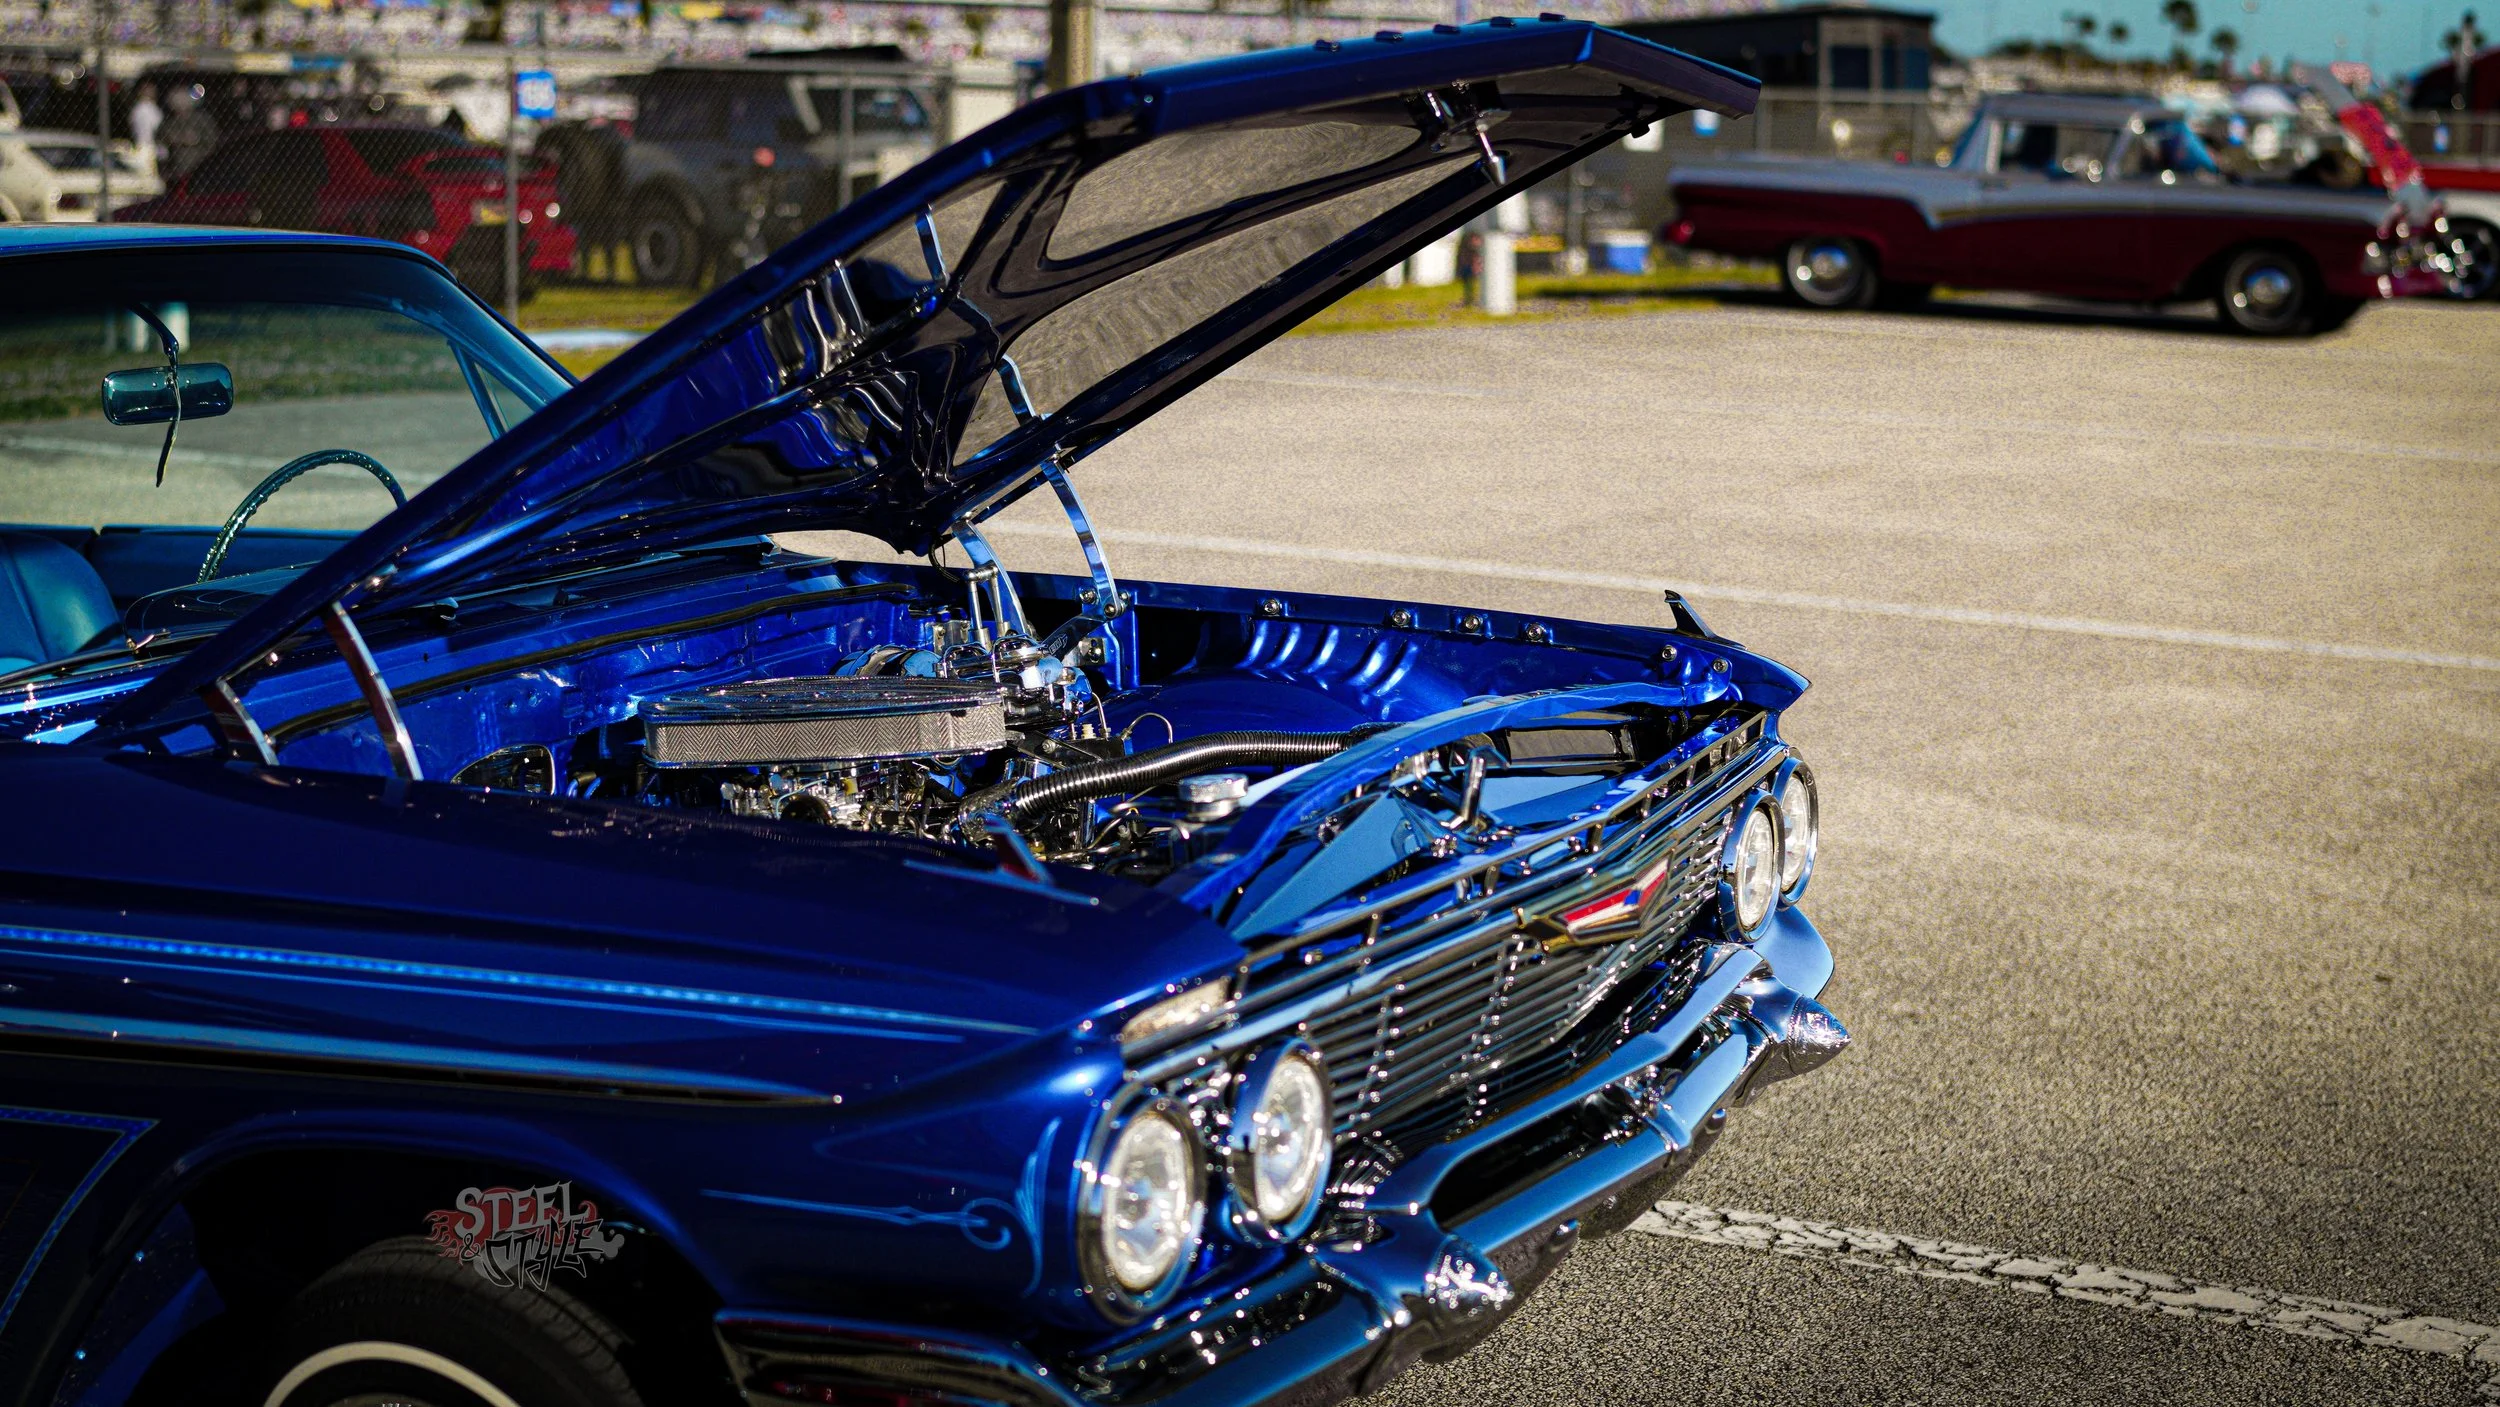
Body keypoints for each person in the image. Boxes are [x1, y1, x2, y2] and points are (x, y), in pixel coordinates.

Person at [159, 85, 218, 180]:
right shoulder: (170, 122)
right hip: (178, 170)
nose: (181, 111)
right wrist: (178, 140)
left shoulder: (203, 120)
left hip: (202, 168)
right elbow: (162, 139)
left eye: (183, 106)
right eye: (177, 107)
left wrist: (197, 140)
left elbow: (212, 141)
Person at [128, 83, 163, 166]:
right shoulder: (141, 109)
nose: (151, 92)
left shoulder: (153, 107)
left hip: (155, 147)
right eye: (147, 90)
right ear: (140, 92)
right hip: (145, 147)